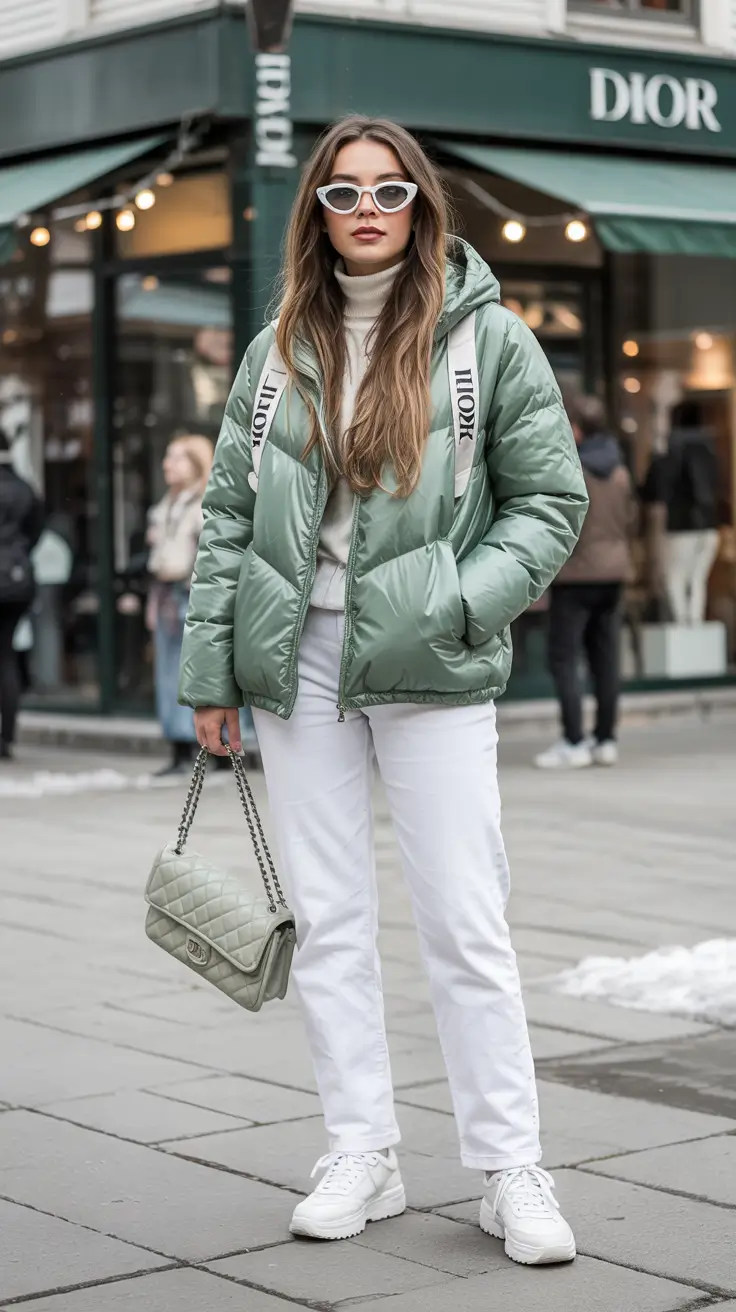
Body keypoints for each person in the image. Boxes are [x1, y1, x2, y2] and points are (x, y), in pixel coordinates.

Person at [179, 117, 588, 1263]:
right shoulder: (273, 353)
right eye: (342, 192)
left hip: (434, 663)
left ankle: (511, 1165)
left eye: (390, 190)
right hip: (296, 660)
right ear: (315, 210)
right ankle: (363, 1146)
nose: (366, 208)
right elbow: (226, 521)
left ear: (420, 206)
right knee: (330, 920)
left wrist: (457, 601)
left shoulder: (491, 341)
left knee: (465, 916)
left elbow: (549, 505)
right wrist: (209, 669)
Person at [536, 395, 634, 770]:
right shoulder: (620, 471)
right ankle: (606, 739)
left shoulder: (572, 469)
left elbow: (562, 525)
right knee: (605, 658)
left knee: (563, 658)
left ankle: (574, 739)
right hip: (613, 573)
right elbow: (630, 521)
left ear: (575, 428)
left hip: (576, 575)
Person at [147, 435, 212, 775]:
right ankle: (179, 746)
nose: (167, 465)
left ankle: (203, 748)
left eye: (177, 458)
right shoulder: (167, 504)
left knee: (194, 672)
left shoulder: (204, 504)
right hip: (166, 593)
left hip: (191, 594)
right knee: (169, 673)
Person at [0, 429, 44, 759]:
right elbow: (34, 532)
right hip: (18, 580)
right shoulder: (24, 488)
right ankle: (7, 735)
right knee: (6, 656)